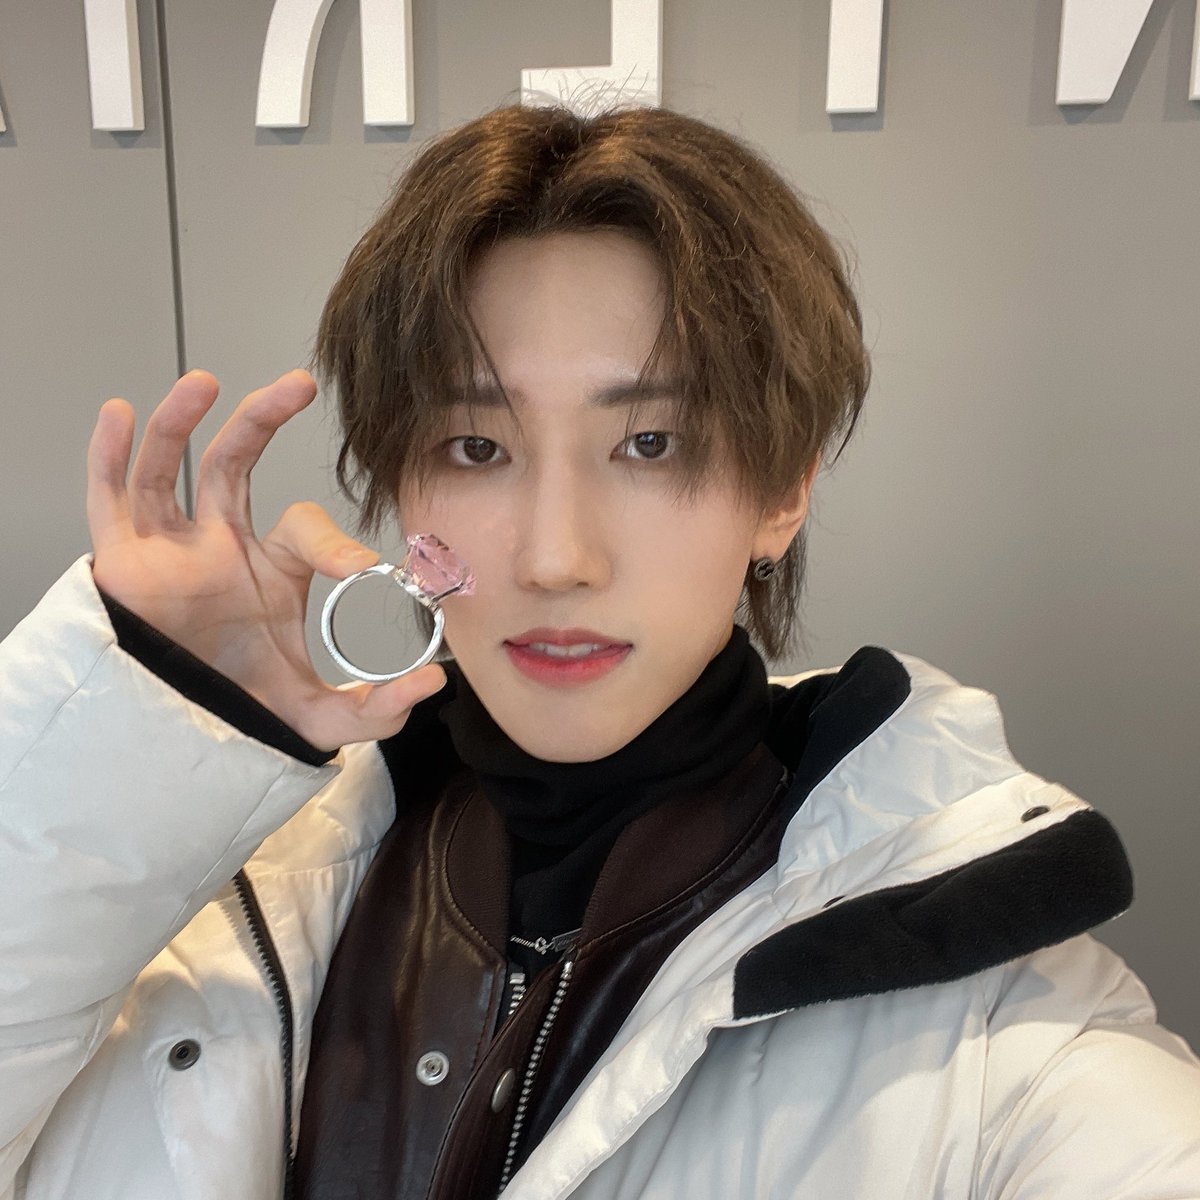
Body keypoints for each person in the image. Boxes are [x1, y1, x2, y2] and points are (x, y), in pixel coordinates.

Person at [2, 104, 1198, 1200]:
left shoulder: (987, 1007)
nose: (555, 556)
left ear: (781, 491)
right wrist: (140, 741)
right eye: (476, 447)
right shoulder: (209, 899)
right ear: (401, 486)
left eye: (652, 443)